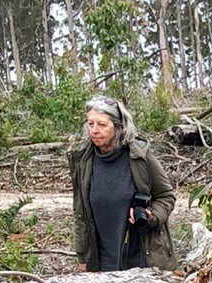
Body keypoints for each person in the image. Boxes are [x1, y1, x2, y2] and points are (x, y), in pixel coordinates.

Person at [70, 96, 176, 272]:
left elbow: (166, 196)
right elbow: (80, 212)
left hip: (141, 258)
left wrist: (151, 215)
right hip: (100, 261)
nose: (94, 130)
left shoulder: (140, 156)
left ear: (119, 127)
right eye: (90, 124)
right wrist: (83, 258)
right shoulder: (83, 161)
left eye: (102, 125)